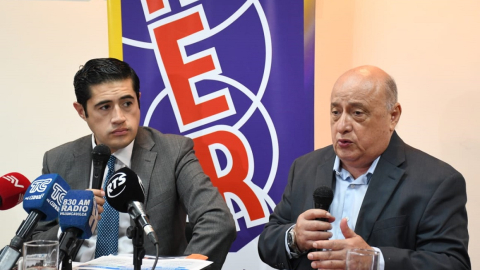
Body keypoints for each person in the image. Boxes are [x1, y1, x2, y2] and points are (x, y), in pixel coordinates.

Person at [31, 58, 236, 270]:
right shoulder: (58, 160)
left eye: (127, 103)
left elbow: (217, 221)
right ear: (82, 111)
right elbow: (35, 238)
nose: (119, 117)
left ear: (138, 100)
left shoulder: (174, 152)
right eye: (105, 107)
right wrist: (68, 224)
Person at [258, 65, 470, 270]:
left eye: (357, 113)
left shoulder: (436, 182)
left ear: (393, 116)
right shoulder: (304, 168)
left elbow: (452, 263)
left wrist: (376, 261)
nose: (342, 126)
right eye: (335, 112)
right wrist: (295, 237)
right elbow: (268, 242)